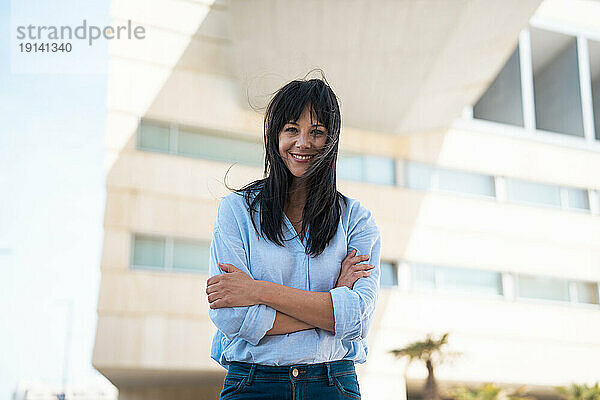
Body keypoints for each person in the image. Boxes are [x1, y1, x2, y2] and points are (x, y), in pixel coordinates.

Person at [205, 75, 382, 399]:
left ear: (332, 140)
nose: (303, 142)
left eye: (317, 132)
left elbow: (356, 319)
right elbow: (231, 315)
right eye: (291, 129)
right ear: (274, 137)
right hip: (253, 384)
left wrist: (258, 290)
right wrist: (332, 303)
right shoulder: (237, 211)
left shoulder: (357, 220)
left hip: (333, 383)